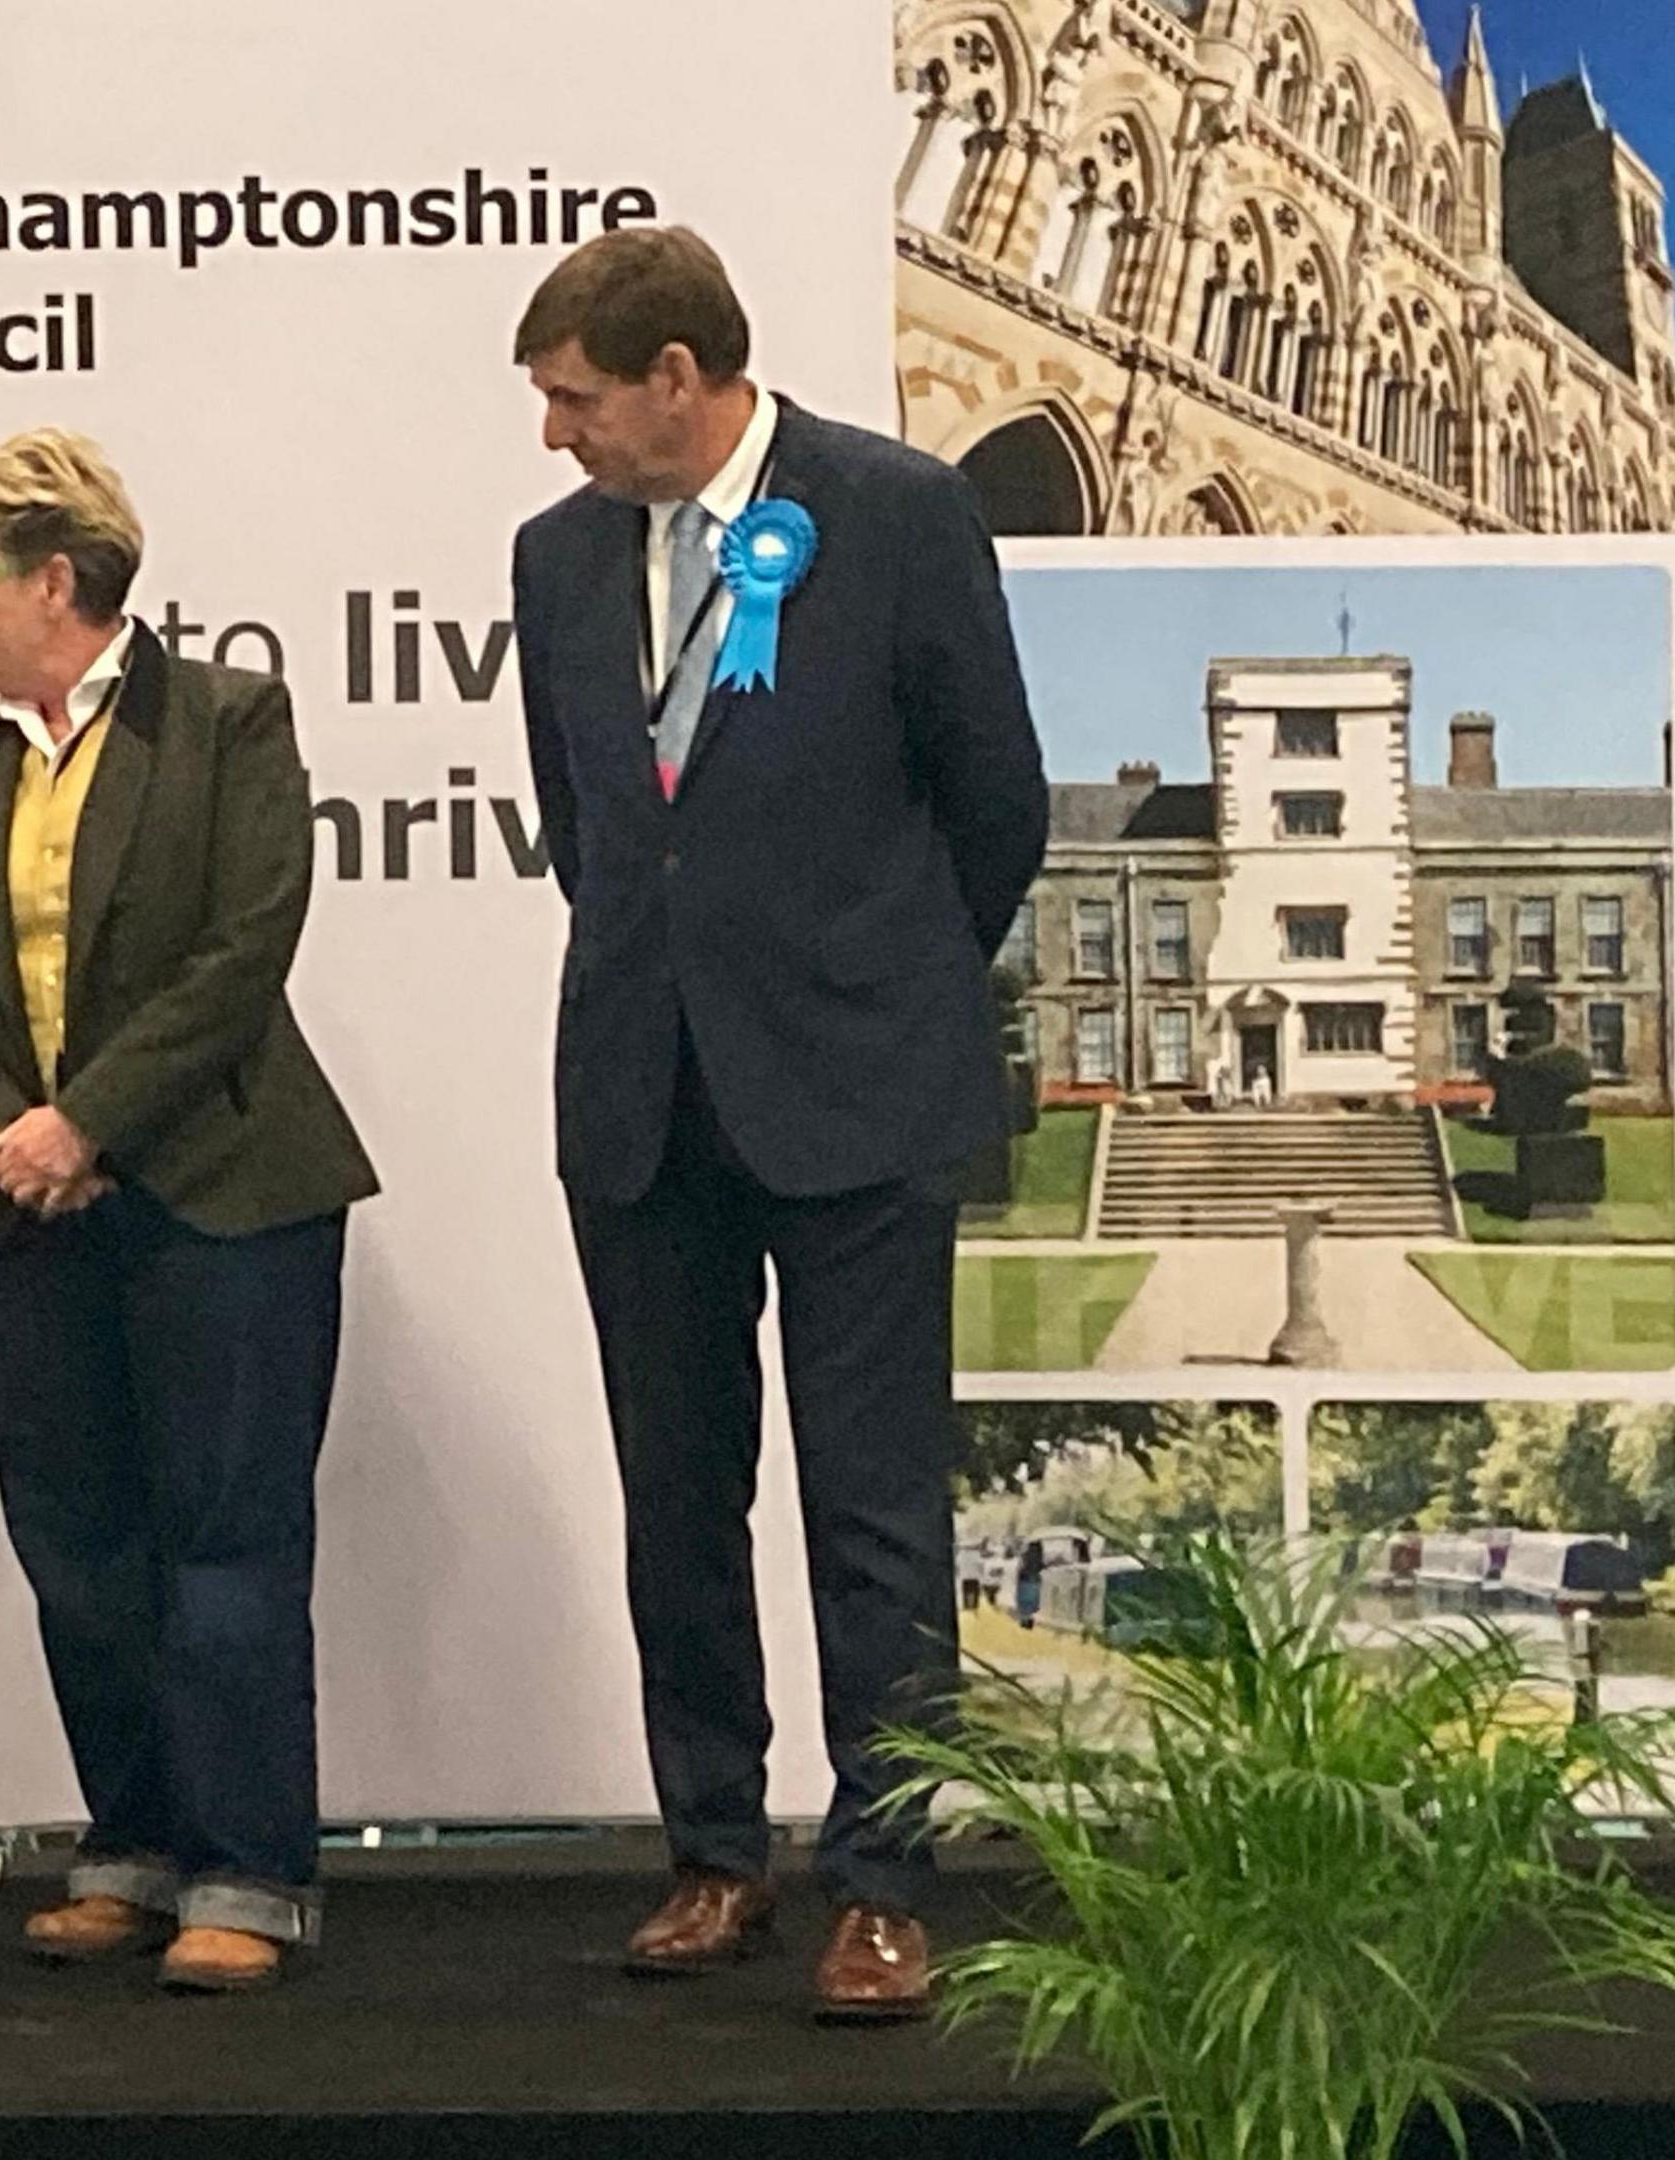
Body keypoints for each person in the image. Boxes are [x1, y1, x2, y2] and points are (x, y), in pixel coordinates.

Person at [506, 226, 1048, 2025]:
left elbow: (999, 808)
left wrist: (865, 982)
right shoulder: (557, 558)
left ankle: (884, 1879)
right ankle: (713, 1853)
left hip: (861, 1095)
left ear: (678, 377)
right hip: (643, 1097)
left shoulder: (893, 512)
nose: (556, 437)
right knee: (680, 1496)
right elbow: (594, 832)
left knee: (875, 1507)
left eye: (576, 400)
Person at [0, 430, 378, 1996]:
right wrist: (9, 1136)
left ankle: (249, 1871)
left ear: (54, 579)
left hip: (225, 1192)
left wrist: (88, 1119)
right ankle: (134, 1845)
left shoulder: (226, 720)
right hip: (30, 1211)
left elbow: (242, 951)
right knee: (79, 1544)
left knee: (225, 1537)